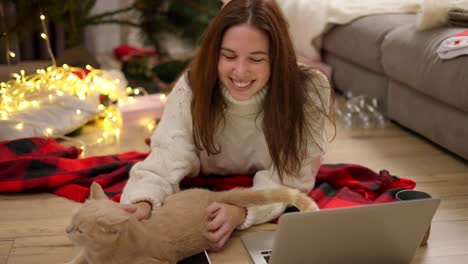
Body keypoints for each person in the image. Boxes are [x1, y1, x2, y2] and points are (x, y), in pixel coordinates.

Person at [120, 0, 334, 251]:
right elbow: (169, 154)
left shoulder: (308, 89)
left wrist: (241, 210)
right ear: (215, 53)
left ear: (277, 58)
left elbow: (292, 174)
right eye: (229, 56)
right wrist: (144, 200)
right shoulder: (193, 84)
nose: (240, 72)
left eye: (256, 59)